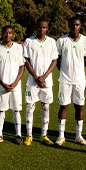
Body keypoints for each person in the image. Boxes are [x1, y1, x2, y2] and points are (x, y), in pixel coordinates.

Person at [56, 17, 86, 146]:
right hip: (65, 79)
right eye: (72, 25)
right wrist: (64, 70)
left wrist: (79, 68)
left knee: (79, 106)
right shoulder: (61, 41)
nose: (74, 27)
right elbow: (57, 59)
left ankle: (78, 135)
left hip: (79, 79)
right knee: (63, 105)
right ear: (69, 25)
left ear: (80, 26)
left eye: (77, 25)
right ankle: (61, 136)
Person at [23, 18, 58, 146]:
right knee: (30, 107)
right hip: (32, 81)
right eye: (39, 27)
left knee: (46, 107)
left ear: (47, 28)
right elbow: (26, 60)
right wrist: (36, 77)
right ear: (36, 27)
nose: (41, 29)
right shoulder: (29, 41)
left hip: (47, 82)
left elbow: (54, 60)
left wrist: (44, 76)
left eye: (44, 27)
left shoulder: (52, 42)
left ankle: (44, 135)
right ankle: (29, 135)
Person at [0, 25, 25, 144]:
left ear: (13, 34)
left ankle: (18, 135)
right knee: (1, 110)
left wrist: (15, 82)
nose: (7, 35)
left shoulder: (18, 48)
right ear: (2, 34)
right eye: (5, 33)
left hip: (15, 86)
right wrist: (2, 82)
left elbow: (22, 66)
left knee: (16, 110)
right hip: (2, 86)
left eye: (10, 33)